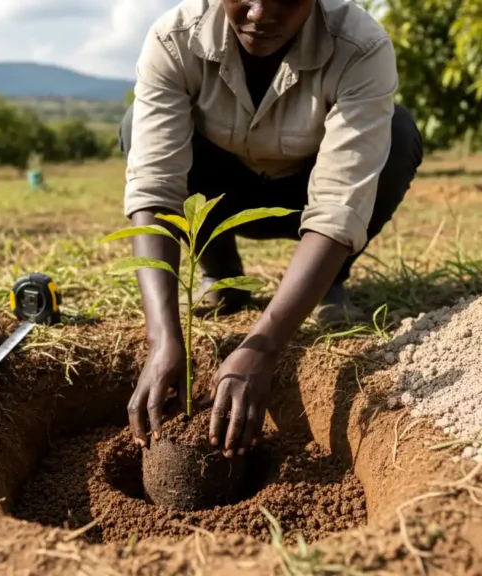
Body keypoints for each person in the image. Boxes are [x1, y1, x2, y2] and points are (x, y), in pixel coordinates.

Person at [118, 0, 423, 458]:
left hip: (305, 197)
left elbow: (340, 204)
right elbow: (156, 188)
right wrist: (162, 338)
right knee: (132, 128)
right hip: (218, 195)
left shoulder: (361, 46)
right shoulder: (174, 38)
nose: (260, 14)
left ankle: (329, 284)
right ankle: (220, 275)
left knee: (399, 134)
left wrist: (262, 348)